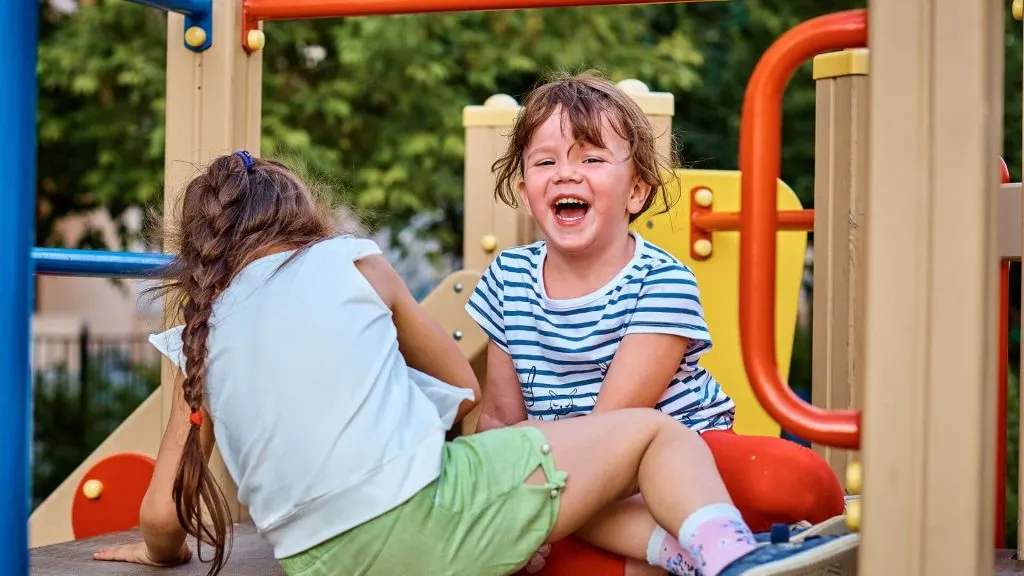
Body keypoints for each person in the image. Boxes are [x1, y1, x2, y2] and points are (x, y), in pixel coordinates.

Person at [88, 152, 853, 576]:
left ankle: (678, 557)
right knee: (654, 435)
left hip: (320, 565)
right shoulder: (352, 261)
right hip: (426, 520)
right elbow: (459, 385)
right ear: (302, 215)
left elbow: (162, 518)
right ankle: (733, 565)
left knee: (561, 487)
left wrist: (156, 555)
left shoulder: (203, 328)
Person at [464, 71, 848, 576]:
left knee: (788, 478)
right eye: (545, 161)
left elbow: (615, 428)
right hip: (576, 478)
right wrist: (501, 500)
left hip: (680, 459)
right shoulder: (509, 279)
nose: (565, 173)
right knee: (512, 507)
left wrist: (538, 489)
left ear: (637, 192)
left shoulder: (660, 280)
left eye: (591, 158)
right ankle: (706, 554)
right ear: (524, 188)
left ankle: (707, 536)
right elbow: (499, 419)